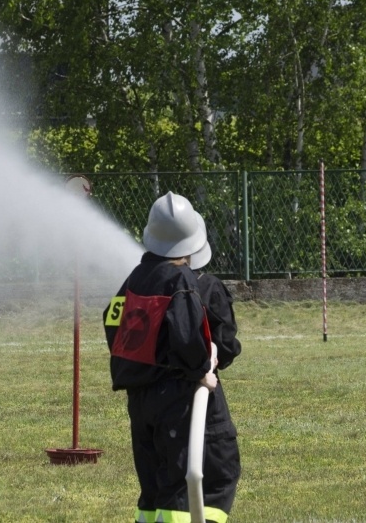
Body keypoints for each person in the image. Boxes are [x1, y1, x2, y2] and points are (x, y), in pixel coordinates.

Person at [103, 192, 232, 523]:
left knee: (155, 485)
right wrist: (201, 369)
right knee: (204, 477)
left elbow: (112, 321)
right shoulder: (182, 280)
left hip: (141, 398)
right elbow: (189, 334)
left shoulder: (135, 277)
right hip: (178, 398)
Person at [189, 217, 242, 520]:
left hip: (152, 400)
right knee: (220, 469)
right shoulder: (208, 286)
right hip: (200, 388)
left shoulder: (146, 285)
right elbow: (227, 343)